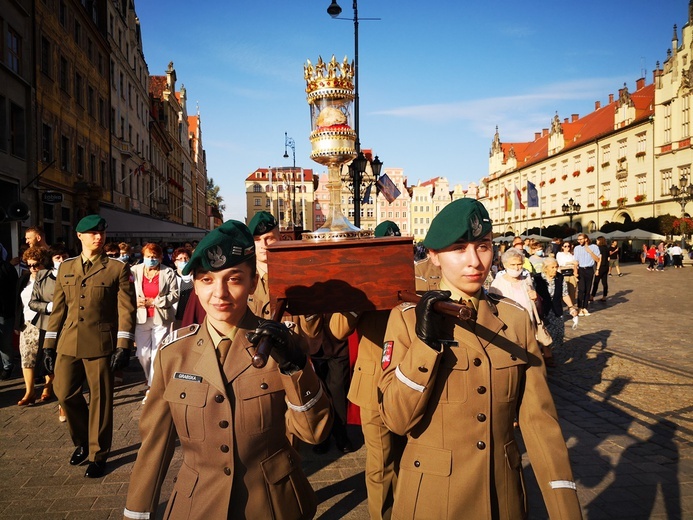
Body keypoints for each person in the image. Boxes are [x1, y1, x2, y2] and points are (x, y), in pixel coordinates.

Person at [378, 199, 582, 519]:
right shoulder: (406, 320)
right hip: (432, 500)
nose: (474, 261)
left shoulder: (515, 320)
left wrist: (565, 511)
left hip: (503, 499)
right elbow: (396, 419)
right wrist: (425, 345)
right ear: (434, 256)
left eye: (483, 246)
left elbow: (540, 424)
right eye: (459, 248)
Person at [123, 220, 332, 520]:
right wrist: (136, 514)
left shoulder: (278, 345)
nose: (219, 294)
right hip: (198, 504)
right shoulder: (174, 354)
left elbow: (315, 433)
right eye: (206, 280)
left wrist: (295, 365)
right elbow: (155, 445)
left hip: (273, 504)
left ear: (252, 281)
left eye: (233, 279)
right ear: (194, 284)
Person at [43, 215, 136, 478]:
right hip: (68, 341)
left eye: (102, 233)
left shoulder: (117, 269)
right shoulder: (66, 267)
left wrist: (123, 345)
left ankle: (98, 453)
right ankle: (83, 440)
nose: (99, 237)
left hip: (101, 342)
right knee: (63, 392)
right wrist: (49, 345)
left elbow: (127, 309)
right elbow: (58, 309)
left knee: (101, 400)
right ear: (80, 236)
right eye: (93, 233)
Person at [347, 221, 407, 520]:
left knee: (411, 459)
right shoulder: (361, 283)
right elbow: (336, 329)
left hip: (413, 383)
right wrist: (359, 298)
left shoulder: (416, 279)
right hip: (374, 385)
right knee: (380, 463)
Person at [131, 243, 179, 394]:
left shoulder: (168, 272)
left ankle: (152, 387)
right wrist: (134, 301)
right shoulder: (134, 270)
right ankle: (148, 377)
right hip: (141, 317)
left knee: (157, 352)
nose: (151, 260)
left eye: (154, 257)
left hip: (161, 317)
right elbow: (124, 291)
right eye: (148, 257)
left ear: (159, 258)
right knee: (142, 354)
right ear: (142, 257)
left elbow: (175, 295)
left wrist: (155, 302)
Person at [30, 245, 71, 421]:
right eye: (57, 257)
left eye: (64, 256)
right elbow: (33, 302)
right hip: (48, 326)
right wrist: (48, 307)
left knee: (65, 365)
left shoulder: (75, 274)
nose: (61, 260)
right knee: (51, 363)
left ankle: (63, 404)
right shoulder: (42, 276)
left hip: (70, 326)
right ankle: (52, 389)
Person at [14, 247, 49, 405]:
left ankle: (48, 388)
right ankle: (30, 391)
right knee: (27, 358)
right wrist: (17, 323)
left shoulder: (51, 278)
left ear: (43, 263)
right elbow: (18, 303)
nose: (33, 268)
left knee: (47, 357)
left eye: (36, 265)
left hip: (46, 322)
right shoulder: (24, 279)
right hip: (27, 324)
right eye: (29, 265)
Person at [534, 258, 579, 366]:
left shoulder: (560, 277)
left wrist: (571, 307)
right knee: (544, 333)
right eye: (552, 267)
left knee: (558, 333)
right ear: (545, 268)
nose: (555, 269)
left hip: (556, 309)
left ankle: (545, 351)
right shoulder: (537, 278)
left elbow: (564, 294)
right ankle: (548, 356)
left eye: (556, 267)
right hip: (542, 310)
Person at [247, 211, 281, 320]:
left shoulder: (294, 275)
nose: (263, 245)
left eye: (269, 238)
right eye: (257, 240)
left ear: (279, 238)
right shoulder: (243, 279)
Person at [488, 248, 538, 316]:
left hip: (528, 323)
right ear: (505, 265)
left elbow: (535, 305)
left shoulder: (526, 280)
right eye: (513, 265)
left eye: (519, 264)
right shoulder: (497, 283)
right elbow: (492, 308)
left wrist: (535, 299)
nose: (516, 268)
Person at [0, 243, 19, 380]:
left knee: (4, 343)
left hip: (4, 312)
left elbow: (15, 291)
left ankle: (8, 366)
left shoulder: (7, 268)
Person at [573, 233, 600, 316]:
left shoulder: (594, 247)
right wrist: (575, 271)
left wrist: (590, 252)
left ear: (586, 239)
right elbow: (576, 260)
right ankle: (580, 308)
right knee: (581, 289)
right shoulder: (577, 248)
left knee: (588, 290)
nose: (579, 241)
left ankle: (585, 308)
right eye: (578, 239)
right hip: (581, 269)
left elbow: (598, 259)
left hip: (589, 269)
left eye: (581, 239)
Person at [172, 246, 194, 326]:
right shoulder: (171, 276)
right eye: (180, 259)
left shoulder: (196, 276)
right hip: (176, 315)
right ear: (175, 262)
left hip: (193, 315)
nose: (183, 261)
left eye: (186, 258)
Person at [590, 236, 610, 302]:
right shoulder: (606, 248)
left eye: (597, 241)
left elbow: (599, 258)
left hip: (600, 266)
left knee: (596, 282)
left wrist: (597, 269)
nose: (596, 242)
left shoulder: (598, 248)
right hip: (606, 266)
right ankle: (604, 296)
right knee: (604, 282)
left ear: (600, 241)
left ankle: (592, 296)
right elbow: (608, 258)